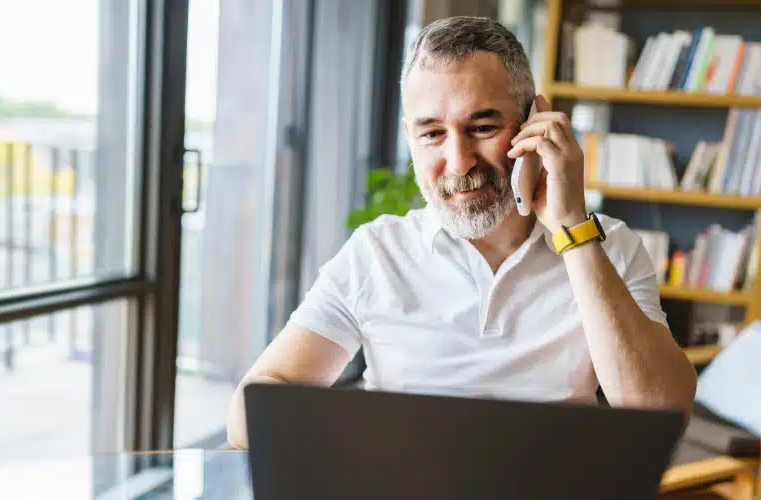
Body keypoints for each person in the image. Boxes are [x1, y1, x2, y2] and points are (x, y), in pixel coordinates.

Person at [226, 16, 696, 449]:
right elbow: (253, 416)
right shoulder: (376, 253)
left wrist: (573, 231)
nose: (458, 162)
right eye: (431, 133)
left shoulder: (607, 245)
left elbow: (660, 413)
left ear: (535, 124)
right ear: (409, 135)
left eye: (482, 126)